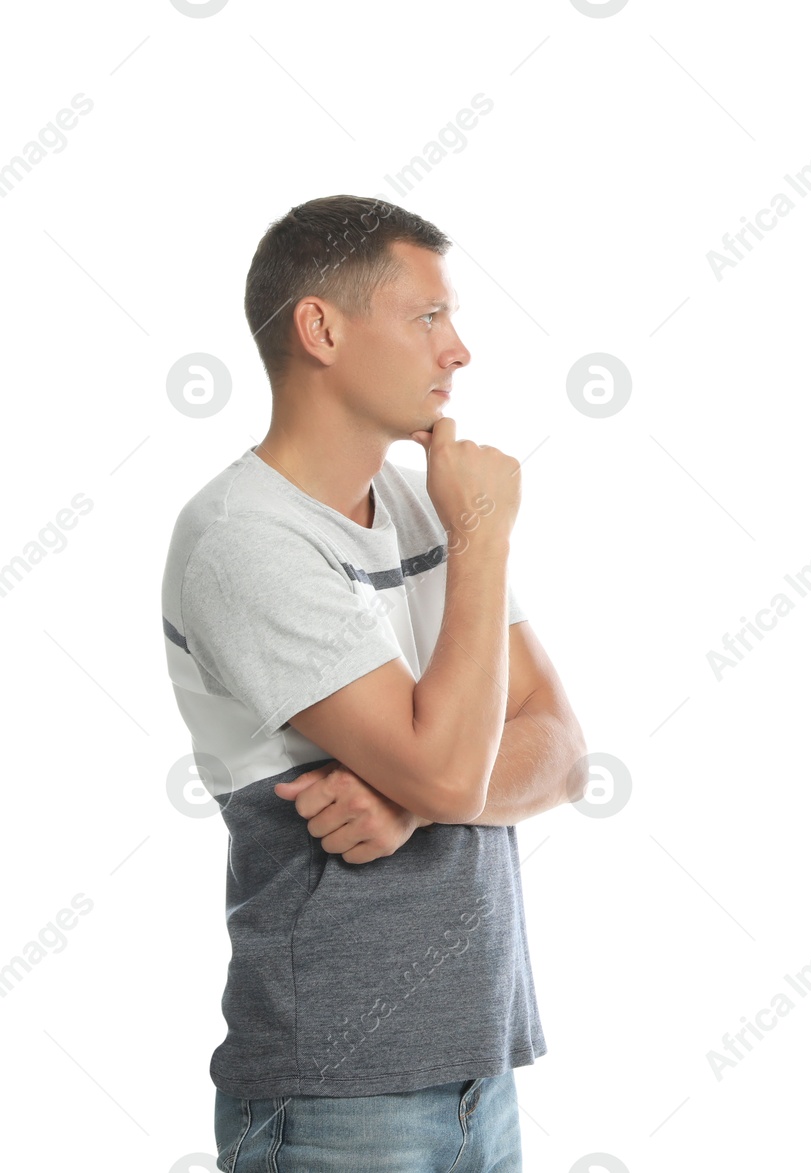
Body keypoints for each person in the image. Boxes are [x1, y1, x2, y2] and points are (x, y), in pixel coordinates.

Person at [160, 194, 587, 1172]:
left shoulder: (420, 501)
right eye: (427, 317)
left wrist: (421, 802)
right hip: (337, 1097)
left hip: (481, 1068)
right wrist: (480, 539)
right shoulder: (245, 541)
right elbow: (450, 769)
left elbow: (563, 749)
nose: (458, 352)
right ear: (320, 328)